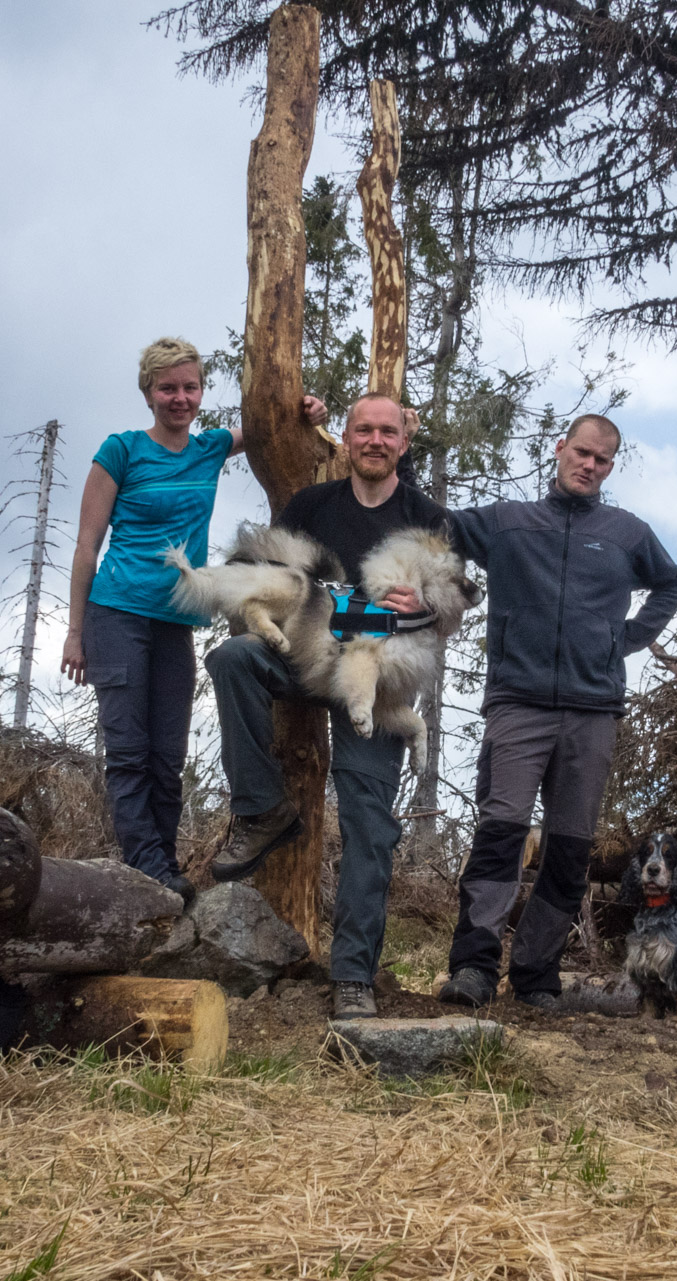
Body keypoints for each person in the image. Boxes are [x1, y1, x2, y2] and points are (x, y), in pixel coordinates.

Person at [204, 393, 449, 1021]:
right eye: (363, 429)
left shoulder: (424, 517)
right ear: (346, 437)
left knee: (370, 824)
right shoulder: (312, 506)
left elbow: (451, 608)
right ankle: (262, 809)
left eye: (386, 431)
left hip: (380, 679)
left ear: (403, 441)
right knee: (233, 659)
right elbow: (258, 563)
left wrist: (417, 610)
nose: (374, 440)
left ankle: (352, 977)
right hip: (303, 655)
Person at [60, 336, 325, 906]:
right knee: (129, 752)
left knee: (167, 756)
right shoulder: (121, 450)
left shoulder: (208, 449)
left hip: (175, 621)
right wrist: (75, 631)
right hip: (116, 613)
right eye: (167, 388)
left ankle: (161, 863)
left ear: (202, 391)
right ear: (148, 393)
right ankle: (151, 868)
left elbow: (269, 423)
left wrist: (309, 408)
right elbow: (87, 545)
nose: (179, 398)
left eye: (189, 387)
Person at [437, 414, 677, 1011]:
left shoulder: (627, 533)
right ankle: (473, 969)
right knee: (500, 835)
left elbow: (672, 584)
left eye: (601, 459)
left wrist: (622, 639)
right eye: (581, 453)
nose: (589, 465)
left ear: (610, 466)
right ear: (559, 449)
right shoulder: (509, 521)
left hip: (593, 710)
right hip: (517, 703)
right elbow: (435, 523)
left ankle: (535, 977)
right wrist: (409, 452)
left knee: (570, 850)